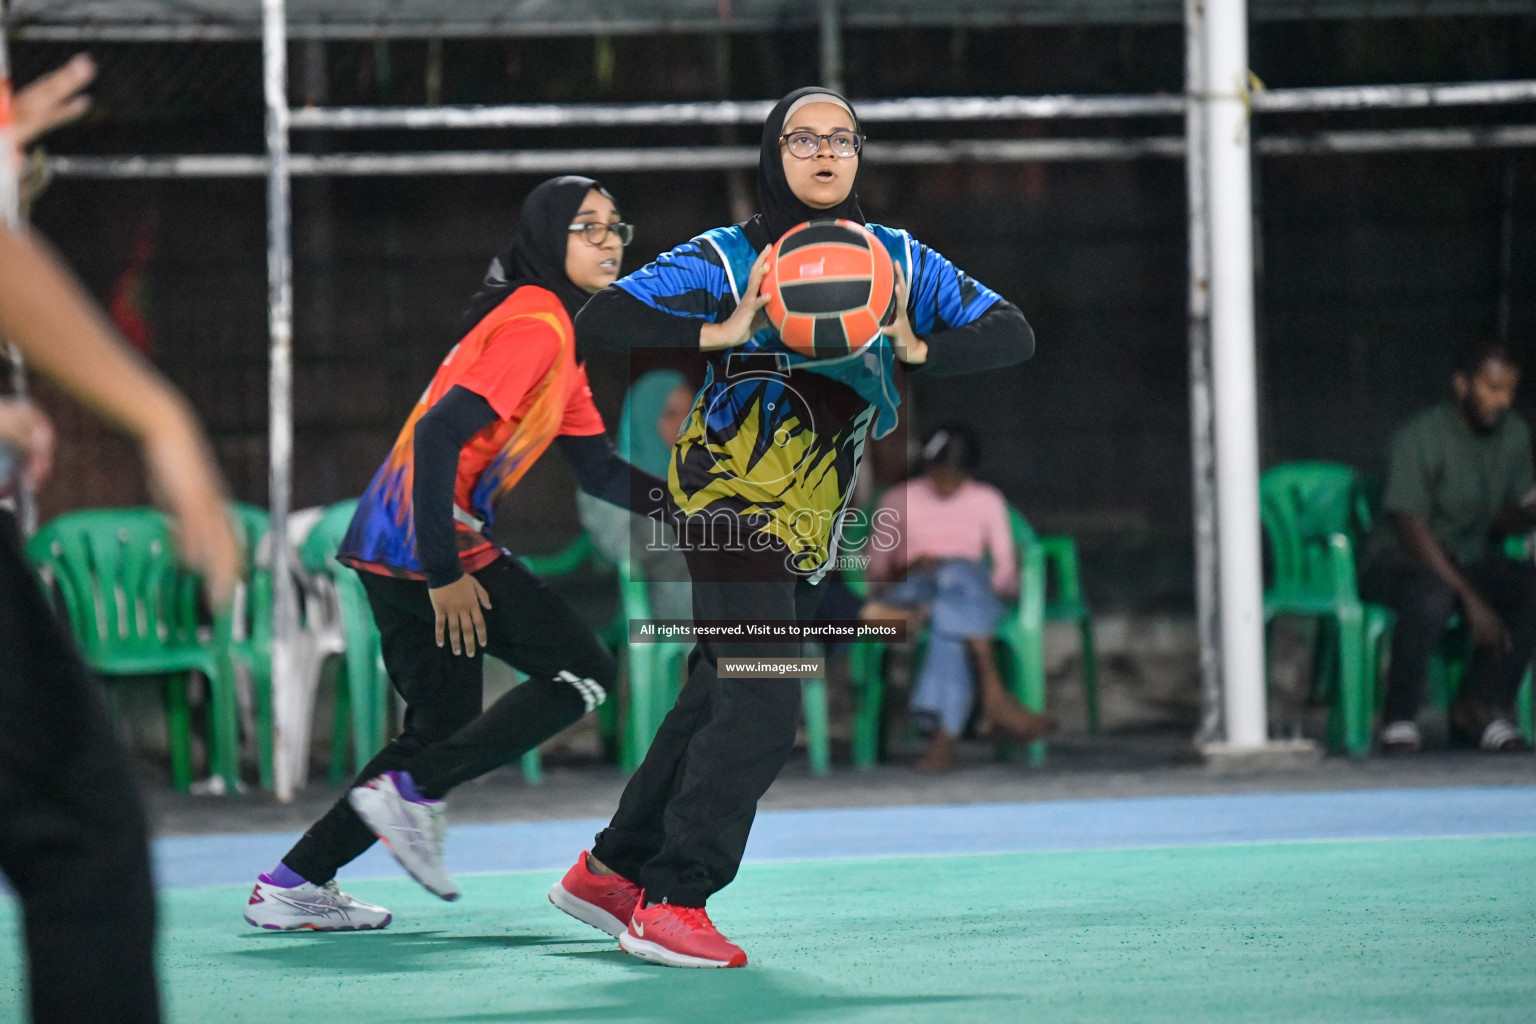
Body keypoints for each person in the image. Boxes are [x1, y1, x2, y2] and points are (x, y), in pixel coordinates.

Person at [548, 87, 1034, 968]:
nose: (824, 152)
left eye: (842, 139)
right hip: (724, 508)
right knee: (768, 701)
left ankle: (611, 870)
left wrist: (918, 347)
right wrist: (719, 330)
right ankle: (676, 898)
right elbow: (603, 319)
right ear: (774, 152)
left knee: (714, 694)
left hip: (806, 524)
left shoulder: (896, 262)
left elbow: (1012, 334)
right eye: (804, 137)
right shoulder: (731, 257)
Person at [244, 176, 669, 930]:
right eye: (587, 227)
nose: (609, 240)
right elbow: (439, 435)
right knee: (584, 673)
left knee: (435, 728)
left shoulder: (557, 343)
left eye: (616, 227)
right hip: (425, 541)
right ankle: (416, 791)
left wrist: (700, 509)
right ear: (546, 240)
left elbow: (600, 469)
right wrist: (443, 574)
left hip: (397, 538)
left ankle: (292, 883)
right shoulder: (536, 321)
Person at [1361, 338, 1536, 754]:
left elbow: (1501, 518)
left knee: (1530, 585)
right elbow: (1409, 526)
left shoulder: (1513, 435)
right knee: (1431, 595)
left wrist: (1531, 511)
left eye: (1510, 390)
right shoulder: (1420, 436)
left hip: (1469, 556)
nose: (1503, 400)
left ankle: (1478, 705)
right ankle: (1399, 718)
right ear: (1462, 385)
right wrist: (1469, 597)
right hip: (1399, 560)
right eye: (1492, 389)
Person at [860, 424, 1055, 772]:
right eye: (940, 472)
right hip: (913, 590)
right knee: (950, 578)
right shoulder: (896, 501)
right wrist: (914, 567)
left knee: (953, 595)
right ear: (927, 466)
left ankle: (943, 741)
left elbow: (1005, 574)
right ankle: (993, 693)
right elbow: (875, 575)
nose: (947, 482)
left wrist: (955, 574)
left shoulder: (986, 500)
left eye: (956, 474)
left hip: (962, 595)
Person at [577, 368, 694, 621]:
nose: (684, 426)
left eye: (691, 414)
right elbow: (621, 551)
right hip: (654, 599)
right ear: (646, 415)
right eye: (672, 414)